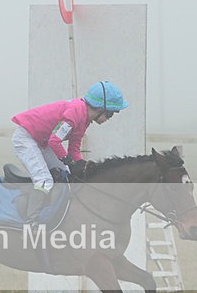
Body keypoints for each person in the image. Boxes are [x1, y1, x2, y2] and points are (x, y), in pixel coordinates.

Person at [10, 80, 129, 225]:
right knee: (44, 180)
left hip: (41, 141)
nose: (109, 119)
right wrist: (68, 160)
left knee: (65, 174)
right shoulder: (75, 112)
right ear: (100, 108)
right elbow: (55, 141)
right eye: (110, 114)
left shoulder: (85, 119)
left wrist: (79, 164)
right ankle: (31, 221)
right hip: (26, 138)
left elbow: (74, 148)